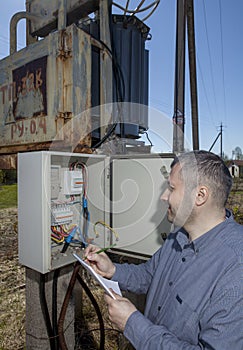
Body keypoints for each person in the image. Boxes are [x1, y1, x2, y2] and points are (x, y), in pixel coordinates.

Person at [84, 150, 243, 349]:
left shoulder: (236, 269)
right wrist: (112, 270)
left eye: (171, 188)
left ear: (200, 195)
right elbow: (149, 275)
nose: (163, 196)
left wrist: (133, 324)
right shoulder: (180, 234)